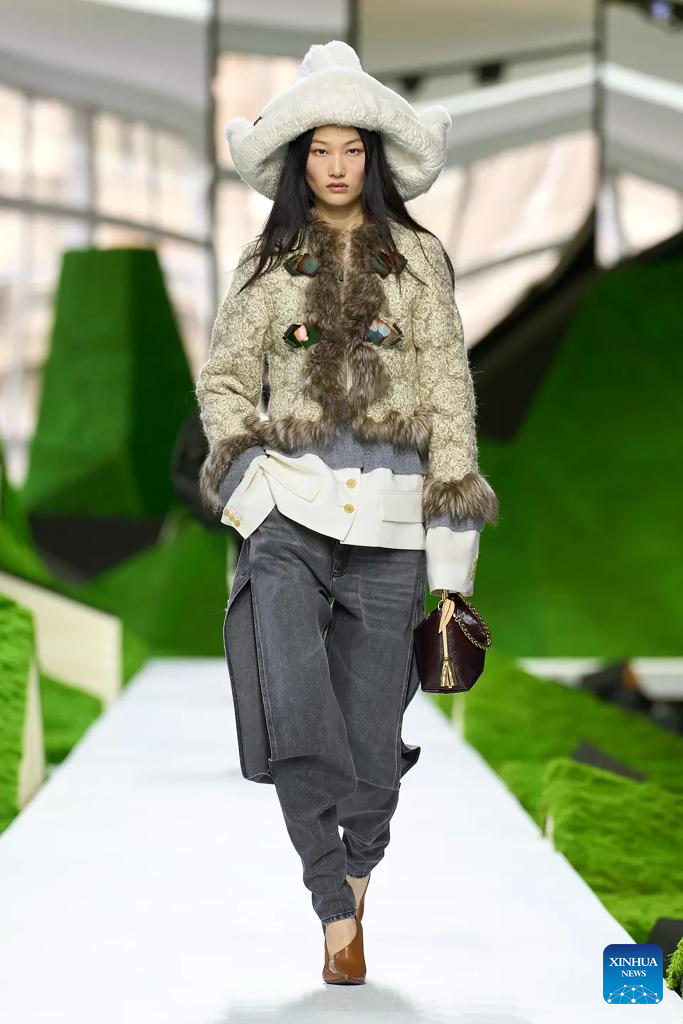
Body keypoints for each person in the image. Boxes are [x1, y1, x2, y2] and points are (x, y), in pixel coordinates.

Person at [194, 40, 499, 985]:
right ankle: (331, 905)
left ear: (372, 157)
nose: (335, 166)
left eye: (351, 149)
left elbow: (449, 396)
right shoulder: (264, 262)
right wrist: (248, 487)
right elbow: (224, 381)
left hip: (393, 526)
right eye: (319, 149)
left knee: (370, 744)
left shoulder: (419, 260)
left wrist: (450, 564)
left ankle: (358, 872)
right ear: (298, 160)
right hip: (287, 513)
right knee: (293, 711)